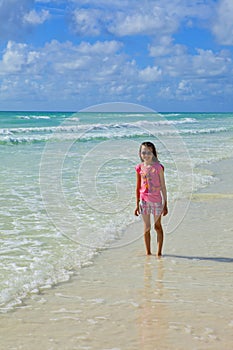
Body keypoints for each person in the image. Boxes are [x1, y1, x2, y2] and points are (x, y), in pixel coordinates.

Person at [134, 141, 168, 256]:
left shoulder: (158, 167)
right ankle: (148, 253)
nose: (146, 155)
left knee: (157, 226)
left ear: (153, 153)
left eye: (149, 152)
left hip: (157, 201)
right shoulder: (139, 168)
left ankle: (159, 253)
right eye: (143, 152)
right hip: (144, 201)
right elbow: (138, 186)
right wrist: (136, 203)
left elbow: (163, 186)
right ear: (140, 153)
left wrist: (165, 203)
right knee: (147, 227)